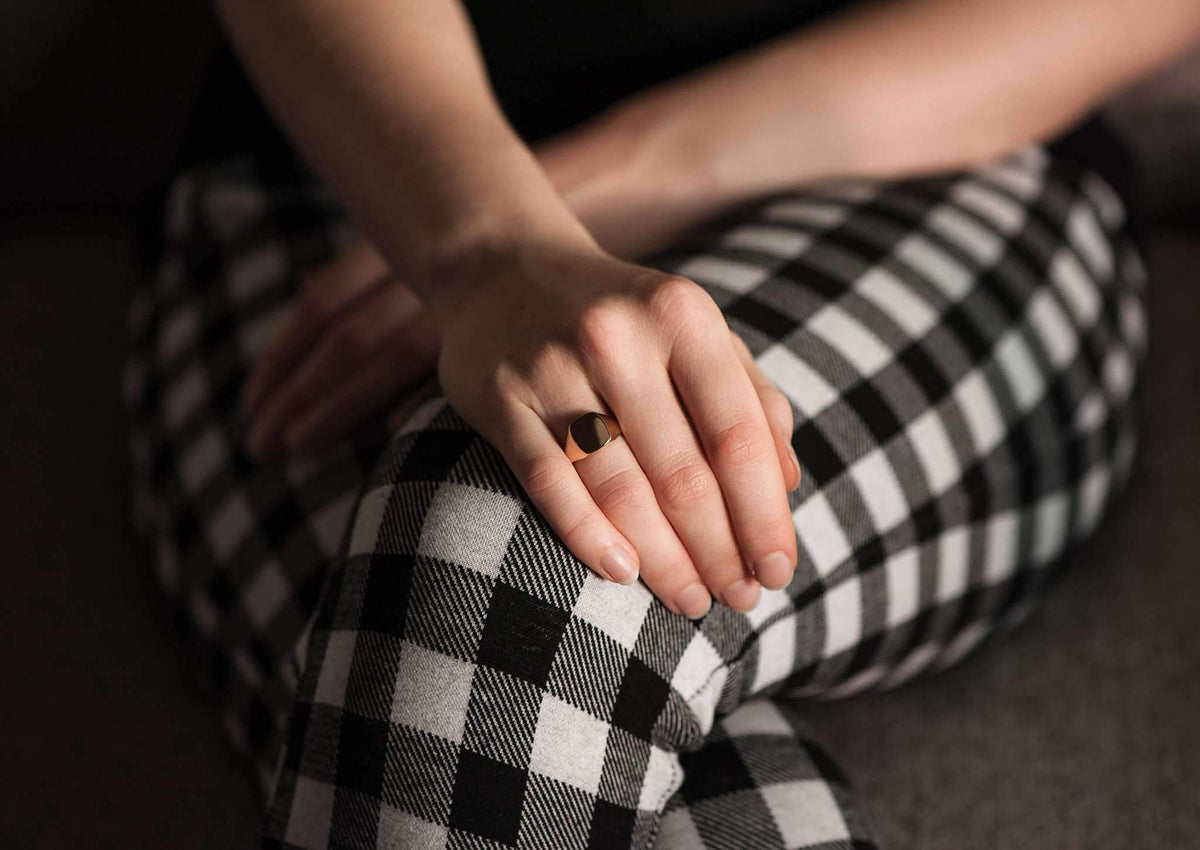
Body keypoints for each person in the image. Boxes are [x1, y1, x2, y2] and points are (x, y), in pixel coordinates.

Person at [120, 0, 1199, 846]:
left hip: (938, 152)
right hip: (354, 171)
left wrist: (616, 176)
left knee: (528, 547)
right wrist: (482, 238)